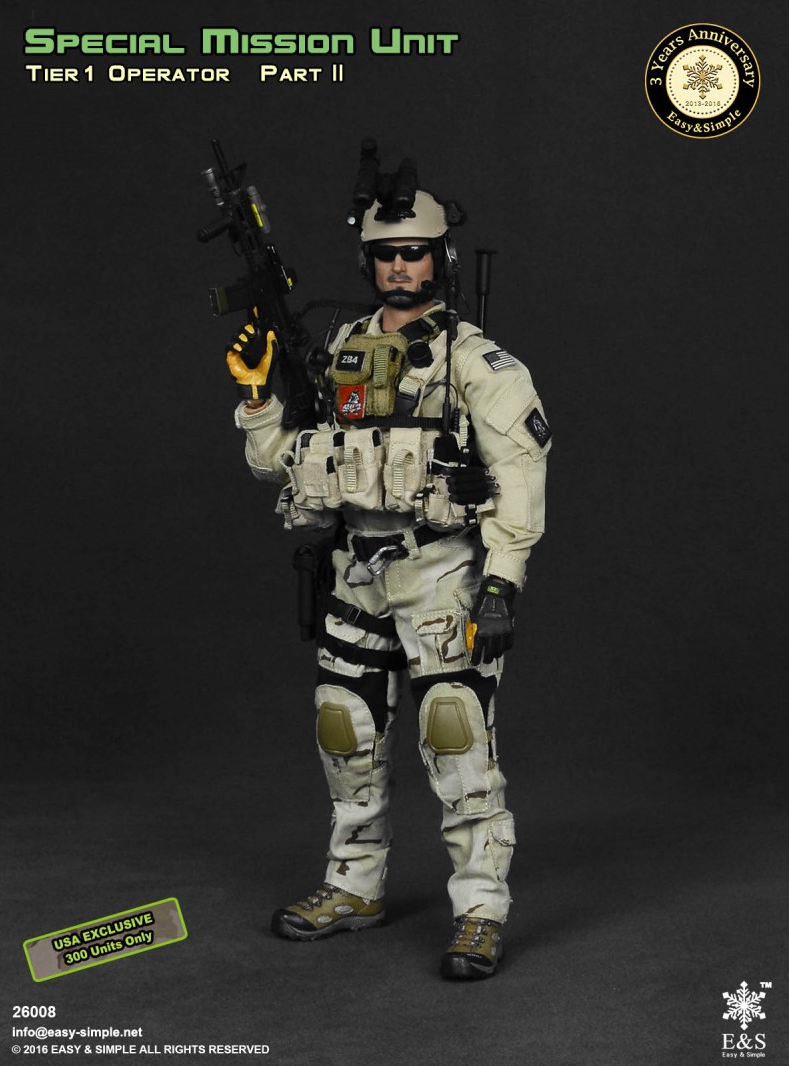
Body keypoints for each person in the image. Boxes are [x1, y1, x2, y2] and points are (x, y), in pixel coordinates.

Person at [227, 183, 551, 980]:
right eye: (385, 255)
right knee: (344, 730)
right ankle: (354, 885)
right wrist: (258, 398)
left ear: (439, 257)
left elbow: (521, 474)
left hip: (441, 571)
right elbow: (285, 462)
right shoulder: (340, 348)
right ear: (367, 262)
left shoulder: (473, 359)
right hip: (355, 570)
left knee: (456, 735)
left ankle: (480, 909)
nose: (400, 267)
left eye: (414, 253)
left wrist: (501, 584)